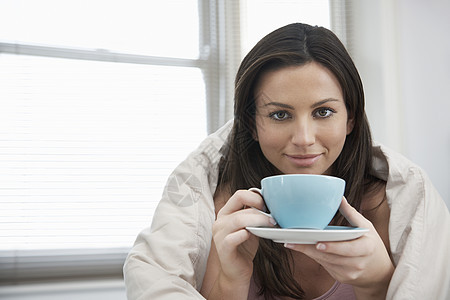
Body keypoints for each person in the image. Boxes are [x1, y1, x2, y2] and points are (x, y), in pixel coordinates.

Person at [123, 23, 450, 300]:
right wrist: (231, 277)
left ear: (350, 118)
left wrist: (378, 280)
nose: (304, 138)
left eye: (323, 112)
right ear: (251, 123)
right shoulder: (220, 211)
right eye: (280, 114)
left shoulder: (393, 205)